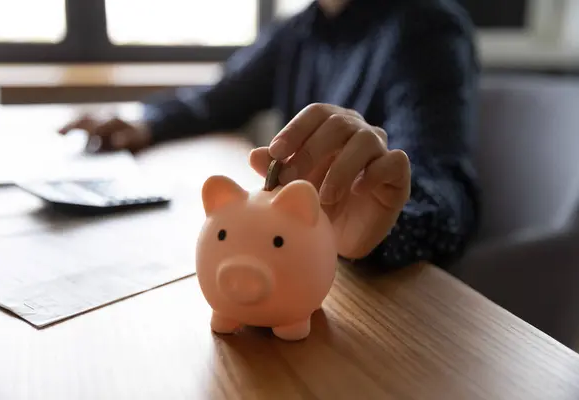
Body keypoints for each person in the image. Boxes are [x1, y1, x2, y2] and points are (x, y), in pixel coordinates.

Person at [59, 0, 481, 270]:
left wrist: (387, 223)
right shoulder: (297, 30)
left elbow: (450, 196)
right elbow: (220, 98)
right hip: (299, 263)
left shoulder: (425, 27)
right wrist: (145, 122)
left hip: (381, 300)